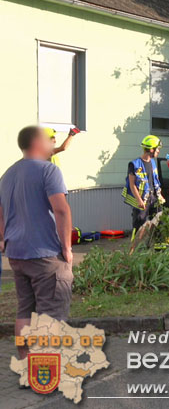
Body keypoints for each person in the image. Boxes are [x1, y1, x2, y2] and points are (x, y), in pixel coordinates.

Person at [0, 126, 73, 359]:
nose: (53, 145)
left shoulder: (7, 175)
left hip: (17, 254)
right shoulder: (48, 171)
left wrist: (3, 240)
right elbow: (61, 210)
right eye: (49, 141)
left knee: (24, 311)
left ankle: (25, 365)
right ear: (37, 144)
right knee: (50, 313)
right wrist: (67, 249)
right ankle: (44, 372)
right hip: (45, 254)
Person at [122, 135, 164, 231]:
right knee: (139, 224)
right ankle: (136, 245)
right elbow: (132, 185)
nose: (159, 151)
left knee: (159, 219)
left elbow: (154, 181)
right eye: (158, 149)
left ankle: (156, 243)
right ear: (152, 149)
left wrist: (160, 195)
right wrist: (139, 201)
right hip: (142, 199)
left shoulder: (153, 162)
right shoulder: (134, 164)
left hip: (153, 197)